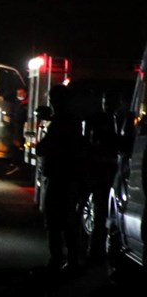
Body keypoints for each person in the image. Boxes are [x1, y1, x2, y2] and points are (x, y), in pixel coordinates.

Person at [36, 84, 87, 275]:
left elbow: (43, 147)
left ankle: (58, 260)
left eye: (53, 100)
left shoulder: (60, 122)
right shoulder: (72, 121)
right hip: (70, 176)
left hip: (59, 177)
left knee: (54, 221)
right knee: (67, 221)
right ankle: (71, 260)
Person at [84, 90, 124, 262]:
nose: (108, 105)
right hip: (99, 171)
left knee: (106, 212)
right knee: (99, 212)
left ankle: (99, 249)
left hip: (112, 170)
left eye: (111, 102)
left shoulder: (120, 120)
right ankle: (94, 251)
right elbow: (88, 142)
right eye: (106, 101)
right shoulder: (96, 120)